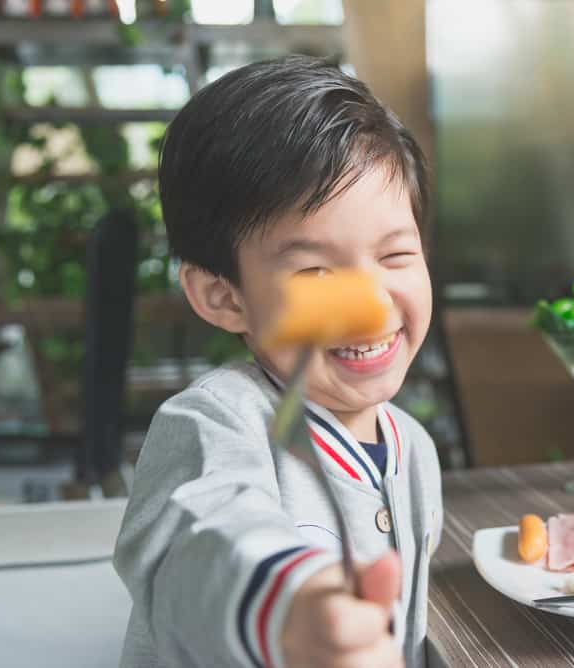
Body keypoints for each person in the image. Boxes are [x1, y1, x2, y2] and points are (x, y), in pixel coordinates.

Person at [113, 55, 441, 668]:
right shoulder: (212, 423)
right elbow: (202, 545)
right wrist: (291, 608)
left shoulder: (413, 448)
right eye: (316, 270)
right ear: (223, 295)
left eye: (395, 255)